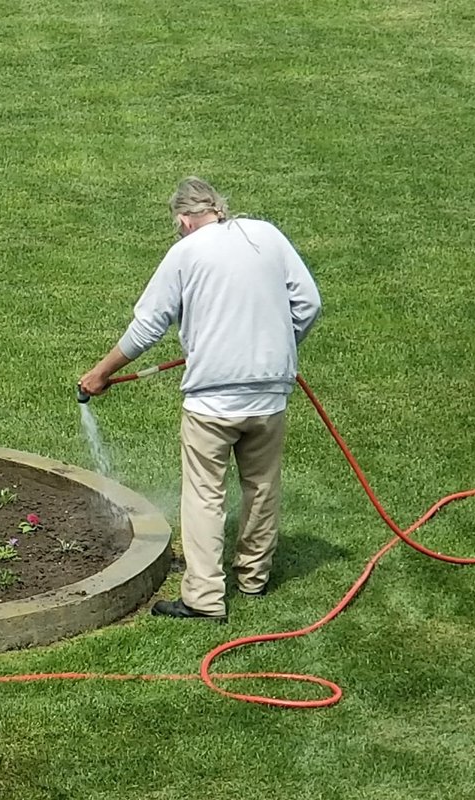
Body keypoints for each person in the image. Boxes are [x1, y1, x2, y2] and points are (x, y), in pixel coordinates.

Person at [78, 177, 322, 623]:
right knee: (262, 486)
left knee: (205, 495)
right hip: (270, 393)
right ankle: (254, 578)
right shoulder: (267, 235)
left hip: (212, 402)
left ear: (184, 220)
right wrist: (278, 349)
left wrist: (100, 373)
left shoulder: (185, 253)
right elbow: (308, 302)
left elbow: (147, 327)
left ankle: (205, 598)